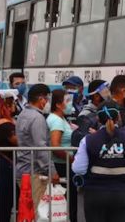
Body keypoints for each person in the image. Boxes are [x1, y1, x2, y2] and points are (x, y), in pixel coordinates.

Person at [72, 100, 125, 222]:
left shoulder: (88, 140)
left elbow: (78, 168)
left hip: (95, 195)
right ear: (118, 116)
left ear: (98, 118)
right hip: (122, 194)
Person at [15, 83, 59, 210]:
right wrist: (52, 171)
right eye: (47, 99)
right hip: (34, 172)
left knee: (27, 210)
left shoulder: (23, 114)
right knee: (38, 210)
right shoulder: (37, 118)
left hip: (23, 169)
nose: (48, 103)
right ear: (41, 100)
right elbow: (41, 148)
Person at [47, 89, 77, 221]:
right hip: (62, 166)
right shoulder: (56, 121)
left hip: (64, 165)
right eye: (68, 101)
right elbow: (55, 146)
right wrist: (72, 159)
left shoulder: (61, 118)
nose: (71, 104)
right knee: (67, 205)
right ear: (58, 104)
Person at [0, 93, 18, 222]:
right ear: (7, 105)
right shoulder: (6, 124)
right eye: (13, 104)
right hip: (5, 166)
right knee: (4, 202)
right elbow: (18, 141)